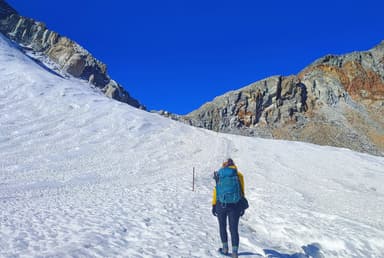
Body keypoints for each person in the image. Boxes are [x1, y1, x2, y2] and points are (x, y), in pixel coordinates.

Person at [212, 158, 245, 258]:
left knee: (222, 226)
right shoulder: (238, 175)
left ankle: (225, 249)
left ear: (224, 165)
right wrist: (242, 206)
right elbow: (242, 191)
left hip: (221, 204)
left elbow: (216, 191)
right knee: (233, 229)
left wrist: (214, 205)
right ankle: (235, 252)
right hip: (235, 204)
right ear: (233, 165)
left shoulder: (220, 174)